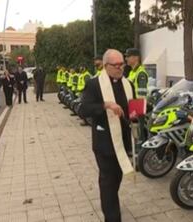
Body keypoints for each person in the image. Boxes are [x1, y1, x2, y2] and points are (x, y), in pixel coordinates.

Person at [80, 49, 135, 222]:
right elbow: (84, 109)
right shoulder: (94, 84)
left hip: (123, 141)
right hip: (104, 143)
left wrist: (139, 112)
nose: (120, 68)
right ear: (105, 66)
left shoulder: (128, 84)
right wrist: (105, 105)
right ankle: (112, 217)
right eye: (116, 65)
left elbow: (132, 109)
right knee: (108, 182)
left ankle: (110, 203)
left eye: (122, 64)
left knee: (116, 179)